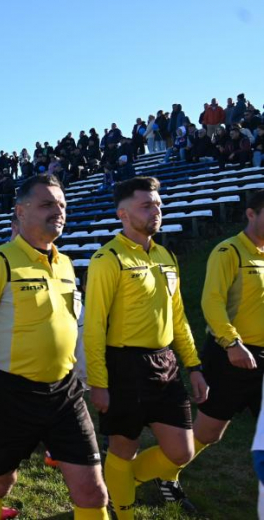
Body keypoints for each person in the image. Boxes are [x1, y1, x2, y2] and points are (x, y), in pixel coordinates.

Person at [0, 174, 107, 520]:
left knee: (93, 491)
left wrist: (92, 377)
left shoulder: (66, 264)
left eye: (62, 205)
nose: (59, 211)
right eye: (47, 204)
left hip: (65, 394)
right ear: (20, 212)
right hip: (10, 394)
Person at [84, 177, 208, 519]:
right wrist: (98, 381)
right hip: (124, 365)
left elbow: (178, 315)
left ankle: (119, 482)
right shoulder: (107, 258)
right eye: (146, 205)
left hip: (166, 362)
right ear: (122, 214)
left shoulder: (166, 255)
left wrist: (194, 366)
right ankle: (123, 510)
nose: (156, 211)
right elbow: (93, 326)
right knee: (124, 447)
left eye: (158, 205)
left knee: (181, 451)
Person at [166, 190, 264, 505]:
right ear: (251, 214)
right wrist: (232, 343)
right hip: (230, 356)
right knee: (208, 434)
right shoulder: (228, 251)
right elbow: (212, 302)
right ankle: (164, 473)